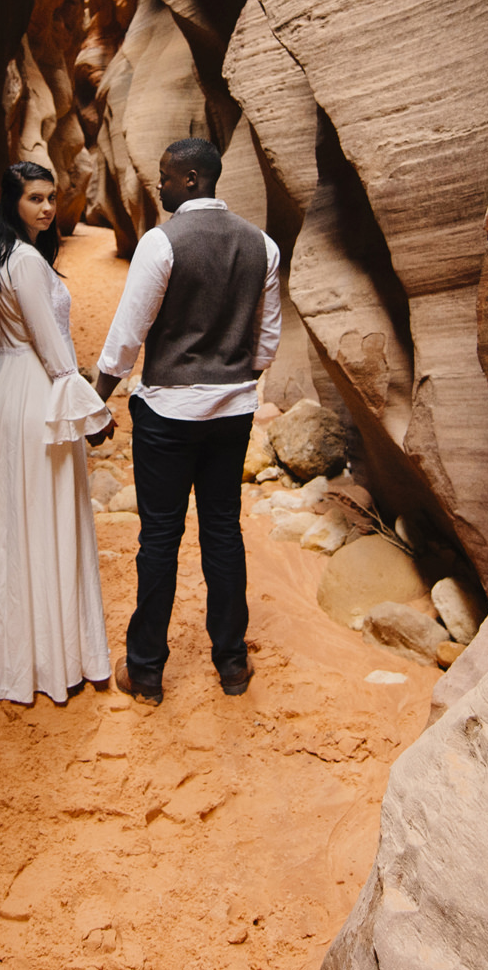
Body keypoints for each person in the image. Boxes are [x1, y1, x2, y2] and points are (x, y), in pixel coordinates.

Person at [94, 138, 282, 702]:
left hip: (168, 415)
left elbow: (129, 333)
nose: (160, 186)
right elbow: (267, 340)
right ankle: (231, 663)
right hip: (233, 414)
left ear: (193, 178)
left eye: (166, 177)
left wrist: (99, 392)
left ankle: (147, 671)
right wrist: (233, 373)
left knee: (160, 538)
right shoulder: (262, 246)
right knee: (223, 531)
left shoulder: (162, 243)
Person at [0, 161, 116, 706]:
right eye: (34, 199)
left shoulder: (1, 255)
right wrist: (91, 414)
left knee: (12, 515)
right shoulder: (23, 260)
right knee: (42, 512)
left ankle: (18, 646)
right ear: (11, 202)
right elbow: (53, 348)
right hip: (38, 390)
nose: (46, 208)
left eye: (51, 198)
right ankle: (48, 657)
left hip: (9, 385)